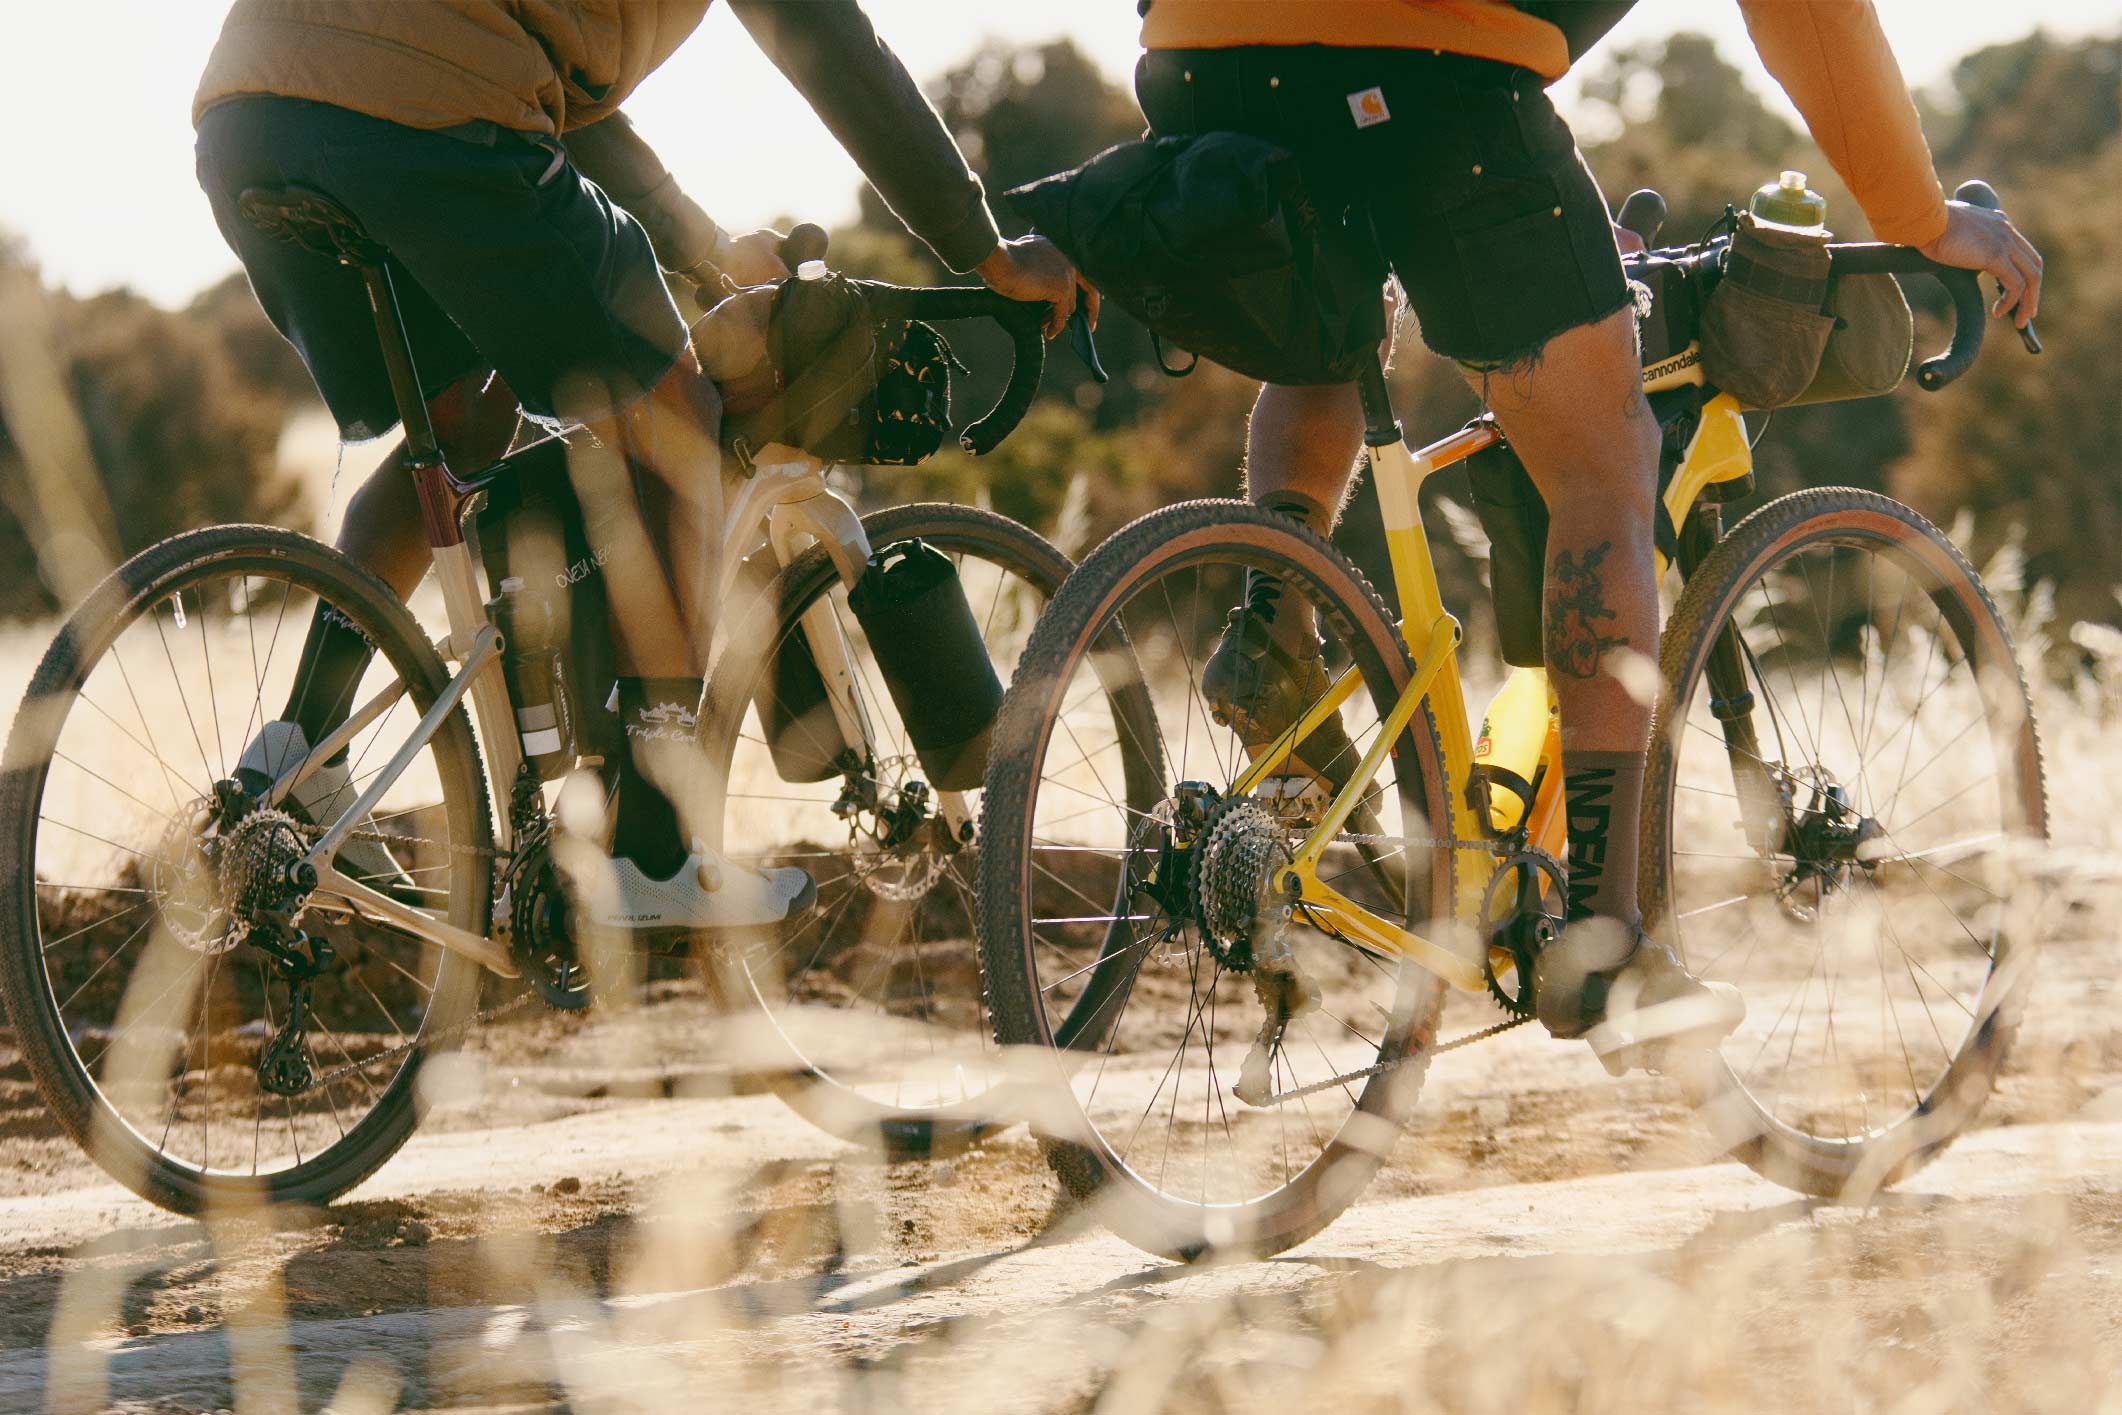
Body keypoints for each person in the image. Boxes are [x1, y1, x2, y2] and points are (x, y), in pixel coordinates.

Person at [1134, 0, 2043, 1070]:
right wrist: (1919, 215)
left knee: (1322, 345)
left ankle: (1275, 627)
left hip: (1204, 72)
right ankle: (1608, 944)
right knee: (1605, 466)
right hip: (1434, 80)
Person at [192, 0, 1092, 930]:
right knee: (682, 425)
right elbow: (830, 44)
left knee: (459, 418)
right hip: (437, 115)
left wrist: (699, 246)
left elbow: (565, 106)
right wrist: (983, 249)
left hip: (251, 117)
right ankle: (653, 853)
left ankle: (296, 755)